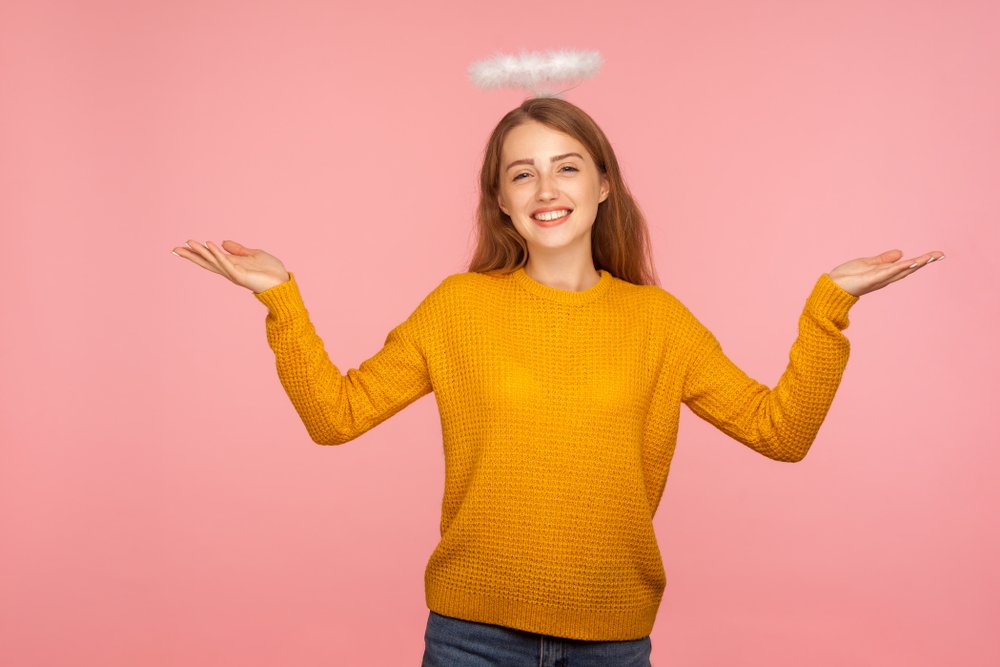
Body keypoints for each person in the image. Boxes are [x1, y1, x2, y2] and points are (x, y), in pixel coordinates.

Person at [172, 97, 944, 666]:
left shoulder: (659, 322)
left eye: (567, 165)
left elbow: (782, 432)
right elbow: (336, 414)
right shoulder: (459, 307)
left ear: (603, 184)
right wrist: (280, 296)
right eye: (523, 172)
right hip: (471, 636)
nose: (547, 186)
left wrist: (829, 307)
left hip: (612, 641)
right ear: (503, 204)